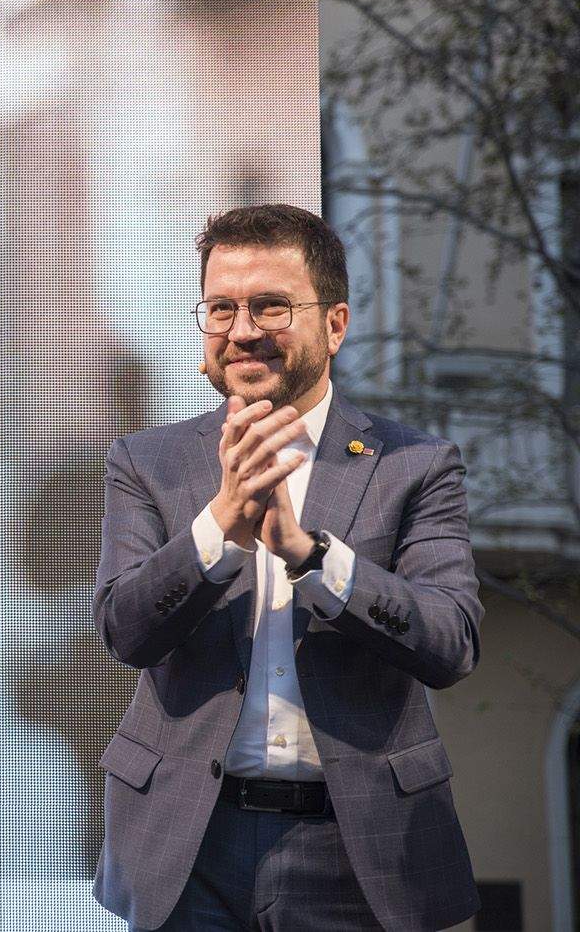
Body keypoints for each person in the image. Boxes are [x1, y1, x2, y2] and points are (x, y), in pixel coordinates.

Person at [92, 204, 482, 931]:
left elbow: (450, 641)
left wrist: (310, 555)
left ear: (334, 325)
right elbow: (125, 631)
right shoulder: (147, 462)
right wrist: (218, 527)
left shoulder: (415, 465)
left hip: (354, 846)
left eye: (271, 306)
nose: (242, 330)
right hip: (188, 845)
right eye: (221, 308)